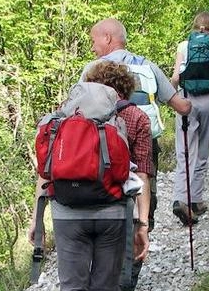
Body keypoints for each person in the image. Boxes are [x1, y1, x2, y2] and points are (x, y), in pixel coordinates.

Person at [29, 61, 151, 291]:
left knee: (73, 286)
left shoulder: (66, 115)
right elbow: (142, 174)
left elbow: (45, 172)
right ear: (125, 88)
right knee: (106, 286)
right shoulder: (136, 117)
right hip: (113, 212)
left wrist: (37, 220)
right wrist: (141, 223)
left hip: (67, 212)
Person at [80, 18, 192, 232]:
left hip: (102, 146)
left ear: (107, 38)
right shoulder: (147, 66)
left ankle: (109, 242)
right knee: (144, 192)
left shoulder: (92, 70)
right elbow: (182, 107)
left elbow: (73, 109)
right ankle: (141, 234)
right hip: (144, 142)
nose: (93, 48)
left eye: (93, 42)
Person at [170, 12, 209, 225]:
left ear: (194, 28)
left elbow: (176, 77)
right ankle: (195, 200)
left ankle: (180, 197)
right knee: (203, 148)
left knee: (184, 150)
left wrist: (172, 97)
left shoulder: (183, 46)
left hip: (186, 100)